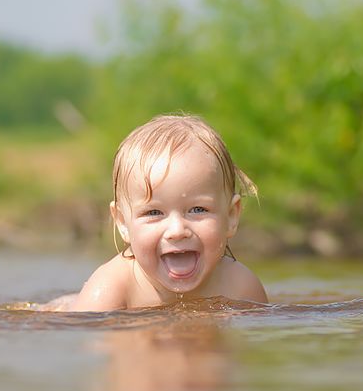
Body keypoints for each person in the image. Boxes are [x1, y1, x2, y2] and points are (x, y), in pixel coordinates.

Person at [58, 114, 267, 311]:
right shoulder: (111, 289)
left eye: (198, 209)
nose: (177, 231)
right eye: (154, 212)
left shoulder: (241, 287)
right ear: (122, 223)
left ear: (231, 217)